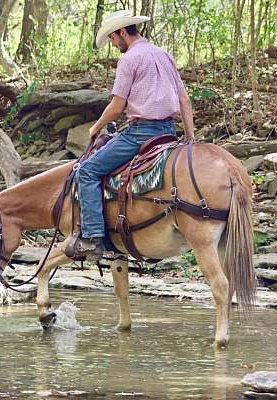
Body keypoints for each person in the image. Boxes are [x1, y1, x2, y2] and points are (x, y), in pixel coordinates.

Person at [72, 9, 195, 260]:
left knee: (86, 171)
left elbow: (117, 106)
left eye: (113, 39)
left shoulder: (129, 60)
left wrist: (96, 128)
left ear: (121, 32)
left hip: (141, 134)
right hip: (169, 132)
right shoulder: (164, 55)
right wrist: (190, 137)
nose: (114, 44)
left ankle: (94, 237)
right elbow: (183, 99)